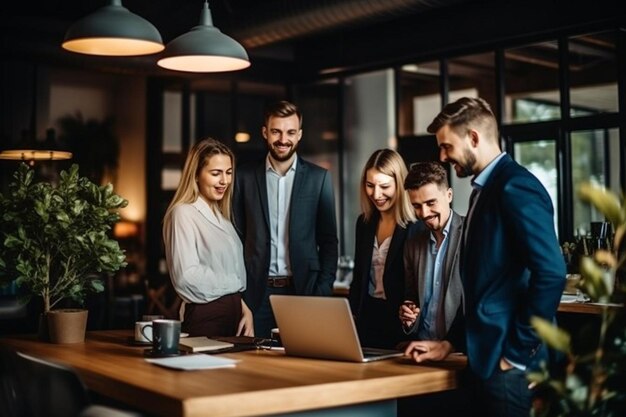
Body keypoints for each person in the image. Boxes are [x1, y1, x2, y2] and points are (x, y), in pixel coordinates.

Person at [425, 97, 566, 417]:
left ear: (473, 137)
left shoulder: (516, 186)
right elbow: (484, 287)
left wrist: (515, 354)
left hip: (510, 368)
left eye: (447, 146)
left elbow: (552, 273)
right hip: (486, 362)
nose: (443, 156)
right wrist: (449, 343)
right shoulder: (482, 190)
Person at [232, 100, 339, 338]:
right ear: (265, 132)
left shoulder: (318, 178)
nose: (283, 139)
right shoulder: (244, 177)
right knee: (255, 367)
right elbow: (235, 239)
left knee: (301, 366)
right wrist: (241, 297)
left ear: (299, 134)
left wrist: (321, 293)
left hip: (304, 293)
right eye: (276, 131)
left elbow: (329, 242)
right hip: (255, 297)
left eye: (290, 132)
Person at [163, 138, 254, 338]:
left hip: (235, 318)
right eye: (216, 173)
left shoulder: (223, 218)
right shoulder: (182, 213)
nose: (225, 181)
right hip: (206, 319)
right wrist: (235, 284)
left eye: (229, 172)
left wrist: (244, 308)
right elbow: (186, 277)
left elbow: (224, 272)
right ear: (196, 175)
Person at [348, 148, 419, 349]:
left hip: (399, 323)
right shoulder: (364, 223)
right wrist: (351, 315)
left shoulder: (415, 225)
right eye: (370, 185)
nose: (376, 194)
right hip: (366, 319)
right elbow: (359, 276)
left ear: (400, 184)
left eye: (384, 186)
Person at [399, 161, 464, 359]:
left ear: (449, 195)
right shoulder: (412, 244)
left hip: (458, 352)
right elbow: (411, 295)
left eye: (431, 203)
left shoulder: (472, 234)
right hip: (421, 349)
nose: (424, 213)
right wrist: (408, 316)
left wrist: (452, 345)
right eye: (417, 206)